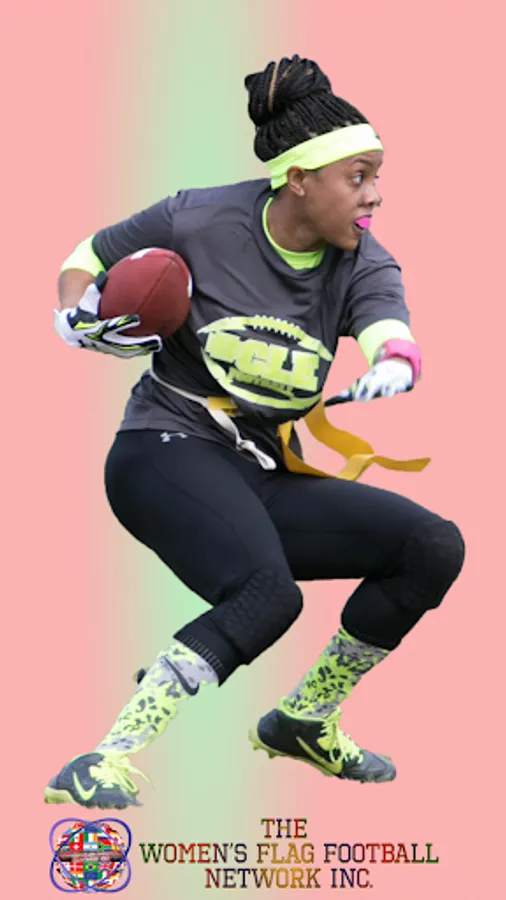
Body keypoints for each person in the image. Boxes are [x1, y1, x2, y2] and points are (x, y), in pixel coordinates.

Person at [45, 55, 465, 810]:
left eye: (376, 176)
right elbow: (88, 258)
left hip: (257, 466)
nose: (375, 194)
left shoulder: (361, 262)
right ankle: (104, 758)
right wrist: (76, 316)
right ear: (298, 178)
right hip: (162, 449)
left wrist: (396, 361)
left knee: (430, 546)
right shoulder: (197, 219)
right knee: (266, 594)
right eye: (358, 177)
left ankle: (304, 720)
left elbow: (388, 326)